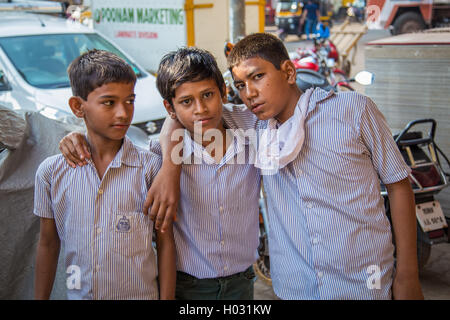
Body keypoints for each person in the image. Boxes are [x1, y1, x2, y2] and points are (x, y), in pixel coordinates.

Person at [151, 33, 424, 300]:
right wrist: (169, 167)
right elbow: (182, 113)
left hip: (364, 282)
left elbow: (399, 184)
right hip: (295, 287)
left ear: (289, 72)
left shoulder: (352, 111)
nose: (250, 93)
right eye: (240, 85)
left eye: (258, 76)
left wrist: (408, 275)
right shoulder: (254, 126)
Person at [58, 47, 261, 300]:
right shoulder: (157, 156)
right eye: (187, 101)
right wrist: (75, 137)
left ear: (223, 92)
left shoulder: (253, 131)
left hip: (242, 283)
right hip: (188, 286)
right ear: (170, 108)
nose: (200, 109)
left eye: (208, 95)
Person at [33, 49, 176, 300]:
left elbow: (165, 244)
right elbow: (48, 244)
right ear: (78, 107)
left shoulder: (150, 169)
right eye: (109, 102)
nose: (123, 113)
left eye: (129, 101)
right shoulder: (51, 173)